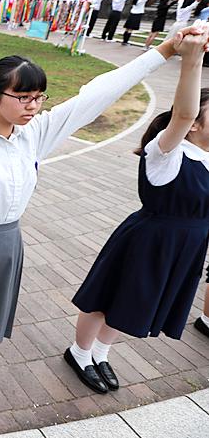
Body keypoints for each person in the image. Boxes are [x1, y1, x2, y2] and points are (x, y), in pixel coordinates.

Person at [0, 19, 193, 417]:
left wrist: (164, 51)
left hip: (5, 243)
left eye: (38, 97)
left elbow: (100, 92)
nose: (33, 107)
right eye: (23, 97)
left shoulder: (37, 133)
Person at [66, 22, 209, 394]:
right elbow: (182, 113)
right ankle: (79, 353)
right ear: (194, 125)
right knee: (105, 297)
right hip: (150, 238)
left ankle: (101, 351)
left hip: (185, 247)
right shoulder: (168, 152)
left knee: (135, 301)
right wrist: (191, 61)